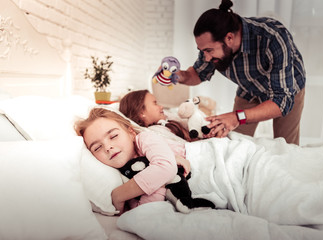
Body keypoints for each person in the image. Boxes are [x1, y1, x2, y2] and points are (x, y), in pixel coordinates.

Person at [175, 0, 306, 145]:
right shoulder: (212, 45)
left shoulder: (272, 37)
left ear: (229, 38)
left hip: (286, 90)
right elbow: (198, 74)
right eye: (202, 51)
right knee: (234, 143)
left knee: (286, 146)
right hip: (249, 89)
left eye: (209, 51)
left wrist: (237, 117)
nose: (206, 57)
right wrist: (178, 76)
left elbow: (281, 101)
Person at [74, 107, 190, 214]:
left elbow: (165, 167)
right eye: (97, 148)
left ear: (131, 132)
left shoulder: (144, 139)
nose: (108, 147)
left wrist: (119, 195)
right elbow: (145, 212)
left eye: (113, 136)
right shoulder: (125, 175)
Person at [119, 89, 192, 142]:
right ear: (141, 113)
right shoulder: (155, 132)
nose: (161, 106)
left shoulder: (165, 121)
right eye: (155, 103)